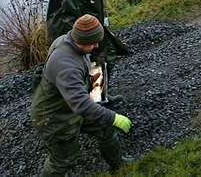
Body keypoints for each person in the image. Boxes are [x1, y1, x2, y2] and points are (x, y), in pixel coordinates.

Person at [31, 14, 133, 176]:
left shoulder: (67, 39)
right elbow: (82, 105)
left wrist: (98, 93)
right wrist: (114, 117)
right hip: (54, 116)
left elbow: (91, 68)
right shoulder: (66, 66)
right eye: (94, 43)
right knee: (62, 161)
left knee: (104, 127)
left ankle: (118, 165)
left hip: (71, 104)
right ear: (82, 41)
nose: (97, 45)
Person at [46, 0, 122, 102]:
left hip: (89, 28)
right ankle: (93, 102)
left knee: (104, 57)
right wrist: (82, 41)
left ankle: (99, 97)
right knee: (93, 61)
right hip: (74, 33)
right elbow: (70, 16)